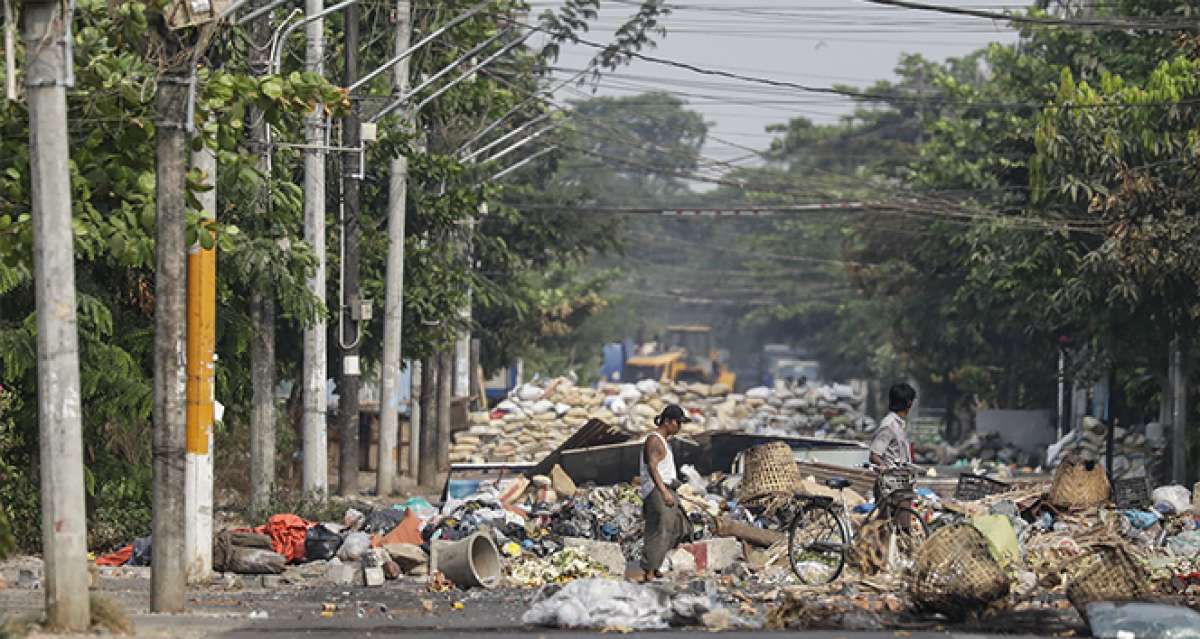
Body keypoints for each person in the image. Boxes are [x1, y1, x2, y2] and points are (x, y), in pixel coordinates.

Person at [634, 404, 693, 582]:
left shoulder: (664, 441)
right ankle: (649, 570)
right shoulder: (654, 440)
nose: (679, 427)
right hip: (658, 491)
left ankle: (655, 565)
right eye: (678, 423)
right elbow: (652, 467)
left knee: (678, 527)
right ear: (668, 421)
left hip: (667, 489)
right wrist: (664, 492)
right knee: (659, 530)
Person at [869, 382, 918, 516]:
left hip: (902, 486)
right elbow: (874, 455)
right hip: (890, 487)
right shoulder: (889, 425)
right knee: (889, 528)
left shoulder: (899, 425)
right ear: (908, 403)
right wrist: (885, 467)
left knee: (902, 530)